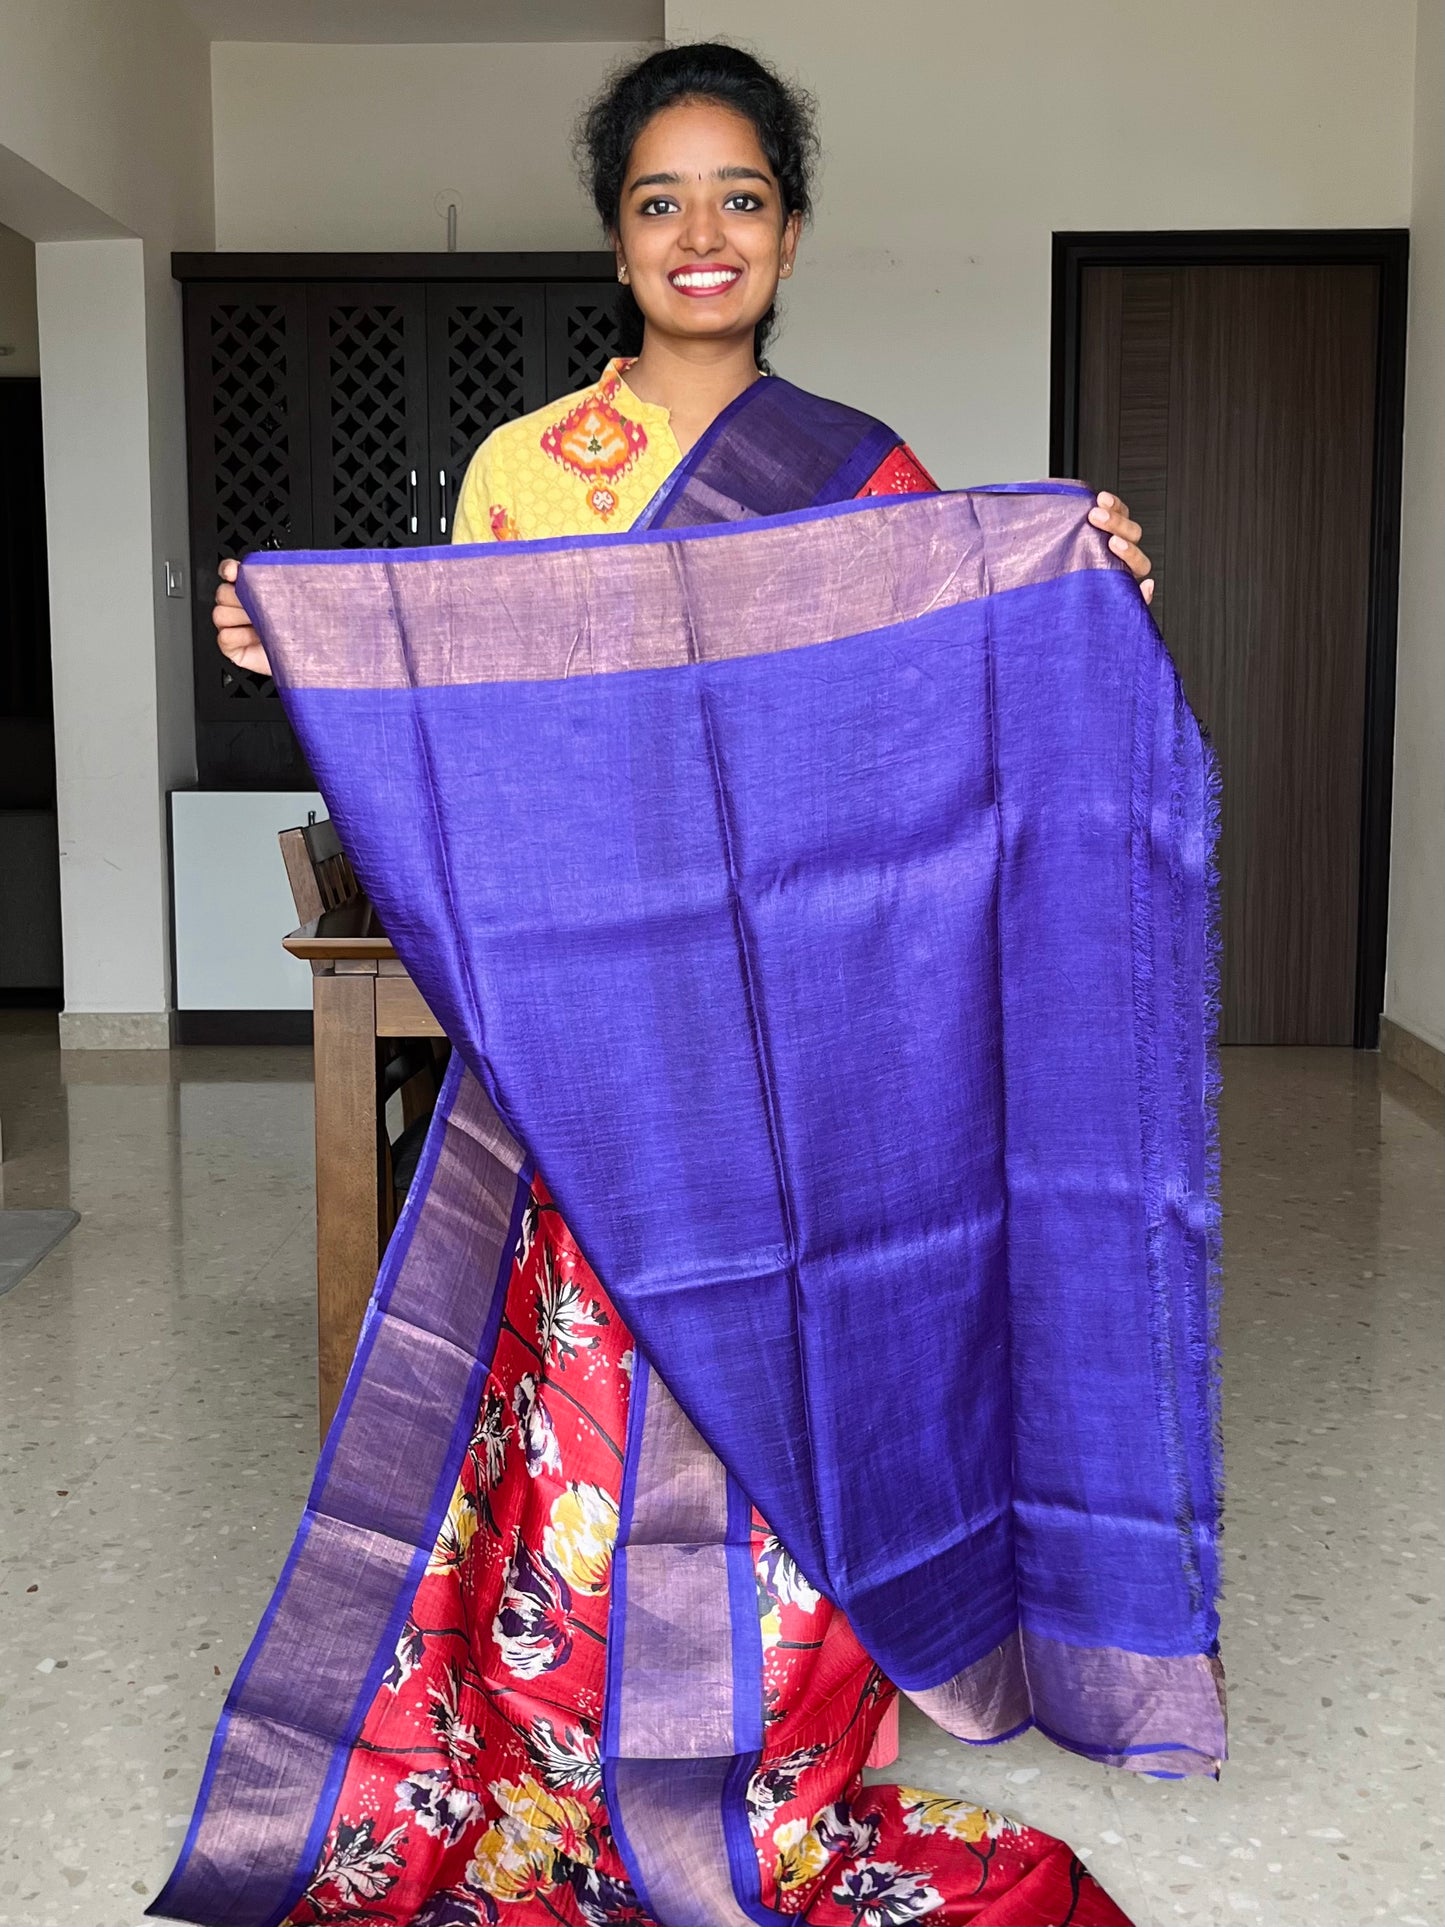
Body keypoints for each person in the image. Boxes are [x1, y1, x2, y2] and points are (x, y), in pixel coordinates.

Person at [191, 43, 1163, 1927]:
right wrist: (297, 651)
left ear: (788, 233)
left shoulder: (863, 481)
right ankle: (561, 1754)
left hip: (787, 1051)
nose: (699, 234)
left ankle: (783, 1753)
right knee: (578, 1408)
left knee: (772, 1396)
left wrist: (1073, 592)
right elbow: (462, 744)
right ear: (615, 240)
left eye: (737, 198)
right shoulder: (518, 471)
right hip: (580, 1035)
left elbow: (930, 736)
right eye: (659, 201)